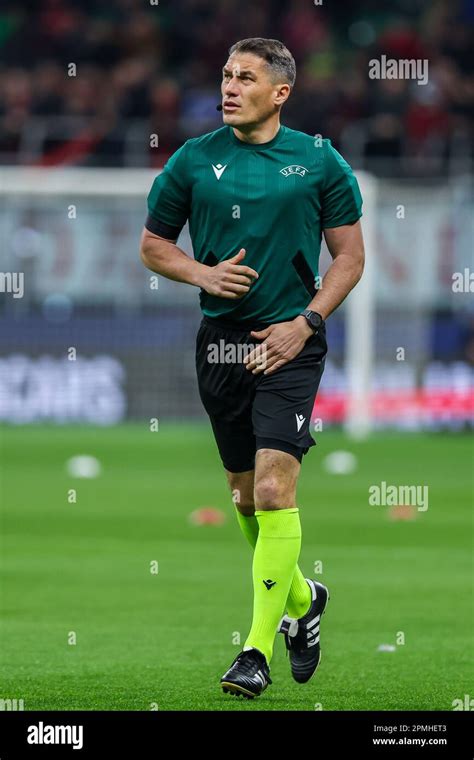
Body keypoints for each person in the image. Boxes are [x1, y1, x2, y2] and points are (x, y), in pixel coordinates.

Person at [140, 37, 364, 699]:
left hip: (290, 343)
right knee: (242, 496)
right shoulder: (192, 159)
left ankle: (255, 652)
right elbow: (154, 245)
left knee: (272, 492)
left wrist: (307, 322)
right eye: (226, 75)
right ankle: (304, 598)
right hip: (221, 344)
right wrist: (200, 271)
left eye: (246, 78)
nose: (230, 87)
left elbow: (348, 259)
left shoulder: (319, 161)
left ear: (280, 93)